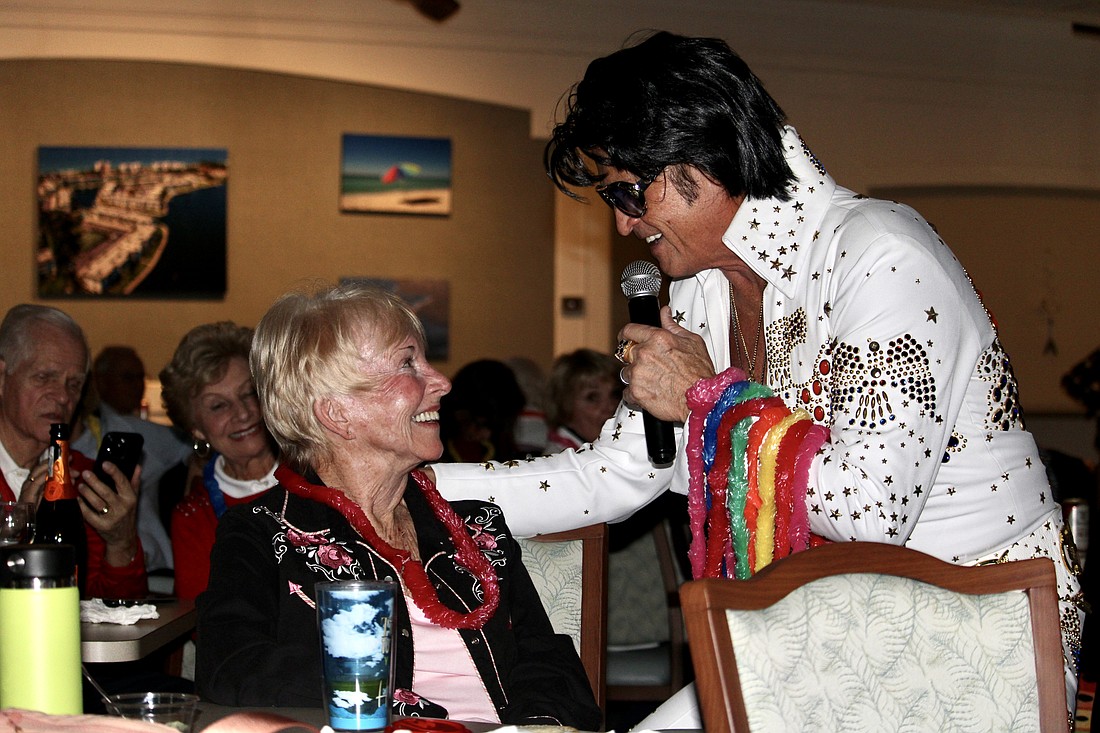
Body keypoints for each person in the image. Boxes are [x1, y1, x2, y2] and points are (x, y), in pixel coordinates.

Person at [429, 31, 1084, 715]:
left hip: (980, 633)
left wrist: (707, 399)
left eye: (628, 195)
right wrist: (407, 483)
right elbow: (613, 473)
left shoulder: (879, 253)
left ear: (702, 161)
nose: (623, 226)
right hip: (831, 630)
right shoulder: (700, 291)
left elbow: (871, 511)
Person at [195, 283, 600, 729]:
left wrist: (532, 727)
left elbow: (551, 665)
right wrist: (400, 711)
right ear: (337, 413)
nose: (443, 383)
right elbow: (229, 670)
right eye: (408, 362)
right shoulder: (261, 534)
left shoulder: (476, 527)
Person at [0, 304, 147, 599]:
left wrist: (120, 542)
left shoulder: (82, 478)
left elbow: (118, 610)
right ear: (2, 376)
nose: (64, 396)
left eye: (74, 383)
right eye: (45, 377)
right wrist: (22, 536)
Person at [159, 322, 279, 602]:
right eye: (218, 405)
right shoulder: (194, 516)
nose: (243, 413)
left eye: (249, 393)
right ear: (196, 428)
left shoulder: (314, 478)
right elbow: (201, 623)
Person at [73, 346, 192, 574]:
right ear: (100, 382)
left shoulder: (140, 433)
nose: (137, 385)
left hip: (154, 567)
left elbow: (196, 445)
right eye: (128, 378)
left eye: (140, 377)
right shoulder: (72, 438)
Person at [438, 359, 526, 463]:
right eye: (482, 424)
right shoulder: (436, 447)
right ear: (459, 413)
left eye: (495, 427)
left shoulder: (498, 447)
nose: (486, 434)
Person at [544, 348, 623, 453]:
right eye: (593, 397)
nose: (611, 407)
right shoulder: (561, 463)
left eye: (615, 394)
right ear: (565, 406)